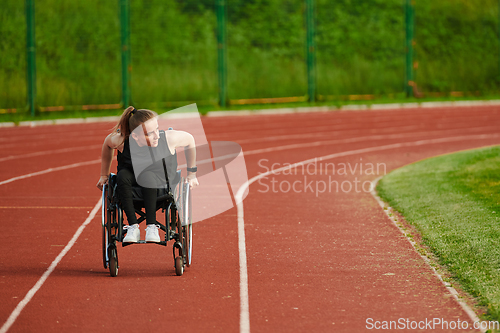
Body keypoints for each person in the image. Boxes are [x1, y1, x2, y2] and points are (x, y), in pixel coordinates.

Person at [97, 106, 198, 243]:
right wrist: (104, 175)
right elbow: (107, 144)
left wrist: (192, 174)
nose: (157, 135)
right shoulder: (121, 141)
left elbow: (190, 140)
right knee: (121, 176)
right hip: (131, 181)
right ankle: (133, 227)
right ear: (135, 136)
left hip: (161, 183)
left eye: (157, 129)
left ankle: (152, 226)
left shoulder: (168, 139)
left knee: (147, 176)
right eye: (150, 133)